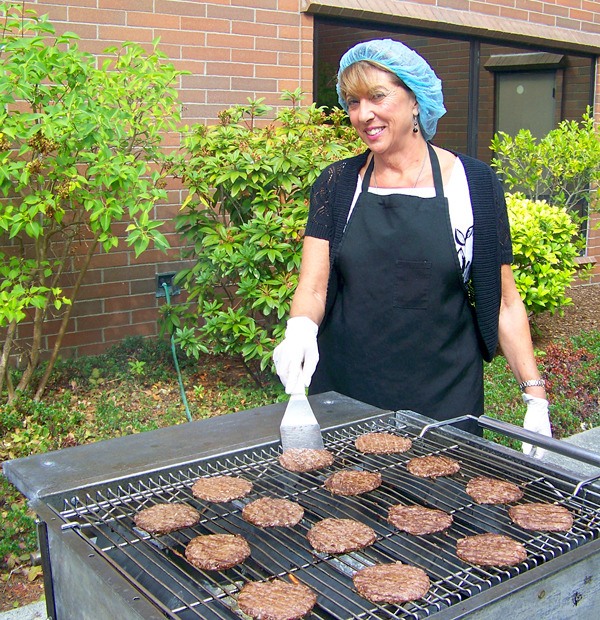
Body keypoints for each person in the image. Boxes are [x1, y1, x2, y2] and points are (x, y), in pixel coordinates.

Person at [273, 39, 551, 455]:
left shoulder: (473, 184)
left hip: (444, 397)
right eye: (352, 102)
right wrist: (299, 329)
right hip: (347, 391)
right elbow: (313, 287)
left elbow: (505, 302)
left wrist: (534, 396)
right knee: (345, 512)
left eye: (378, 97)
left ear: (416, 100)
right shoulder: (338, 183)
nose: (363, 114)